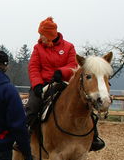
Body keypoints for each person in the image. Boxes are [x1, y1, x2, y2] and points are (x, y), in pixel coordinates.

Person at [27, 17, 104, 151]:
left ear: (50, 35)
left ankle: (94, 137)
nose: (40, 37)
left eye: (42, 34)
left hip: (63, 83)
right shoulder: (38, 48)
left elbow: (72, 65)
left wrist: (61, 72)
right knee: (32, 107)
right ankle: (25, 136)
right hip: (43, 84)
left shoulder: (68, 47)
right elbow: (33, 67)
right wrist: (37, 84)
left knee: (85, 104)